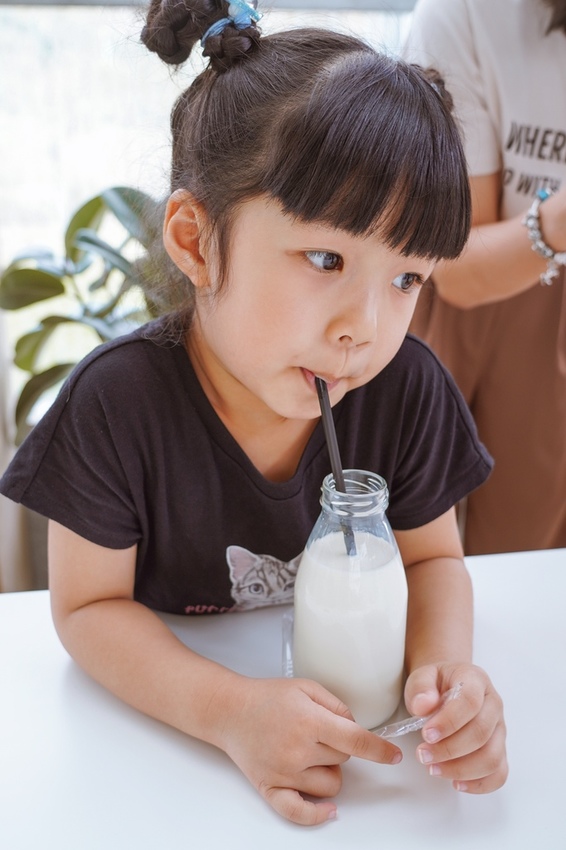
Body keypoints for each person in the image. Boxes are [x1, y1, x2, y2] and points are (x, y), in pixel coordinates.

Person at [0, 0, 507, 826]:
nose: (363, 328)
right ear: (198, 242)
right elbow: (88, 609)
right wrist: (232, 711)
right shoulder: (118, 405)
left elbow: (431, 563)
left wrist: (446, 678)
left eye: (407, 278)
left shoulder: (402, 387)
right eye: (324, 257)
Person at [403, 0, 566, 555]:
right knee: (404, 530)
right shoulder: (462, 16)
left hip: (545, 300)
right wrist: (558, 222)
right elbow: (459, 266)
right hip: (461, 274)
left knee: (525, 551)